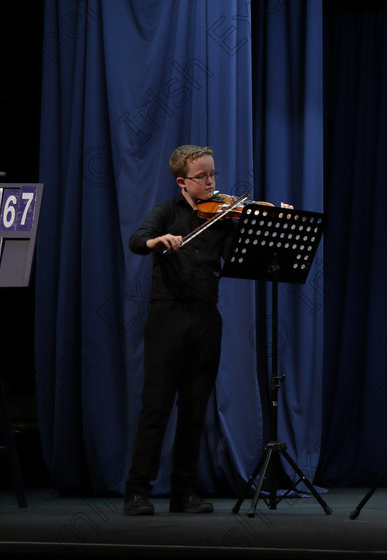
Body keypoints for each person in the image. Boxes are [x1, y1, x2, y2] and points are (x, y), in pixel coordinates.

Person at [124, 145, 290, 516]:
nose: (212, 182)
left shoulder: (225, 215)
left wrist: (274, 222)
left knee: (195, 408)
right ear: (183, 181)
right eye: (203, 177)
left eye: (213, 174)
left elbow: (246, 257)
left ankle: (184, 492)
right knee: (156, 408)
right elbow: (138, 239)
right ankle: (137, 491)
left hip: (205, 318)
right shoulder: (167, 212)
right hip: (167, 318)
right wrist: (156, 240)